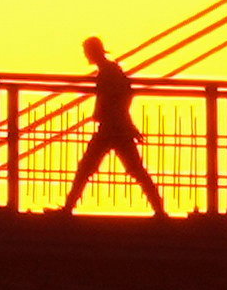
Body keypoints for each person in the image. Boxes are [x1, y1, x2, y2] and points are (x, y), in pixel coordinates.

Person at [58, 36, 167, 216]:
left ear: (93, 52)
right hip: (117, 128)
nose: (86, 55)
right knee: (135, 170)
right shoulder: (110, 70)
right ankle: (160, 210)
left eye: (87, 51)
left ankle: (68, 208)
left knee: (87, 168)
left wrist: (125, 124)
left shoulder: (108, 72)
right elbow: (125, 96)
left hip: (112, 128)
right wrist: (129, 125)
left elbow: (119, 99)